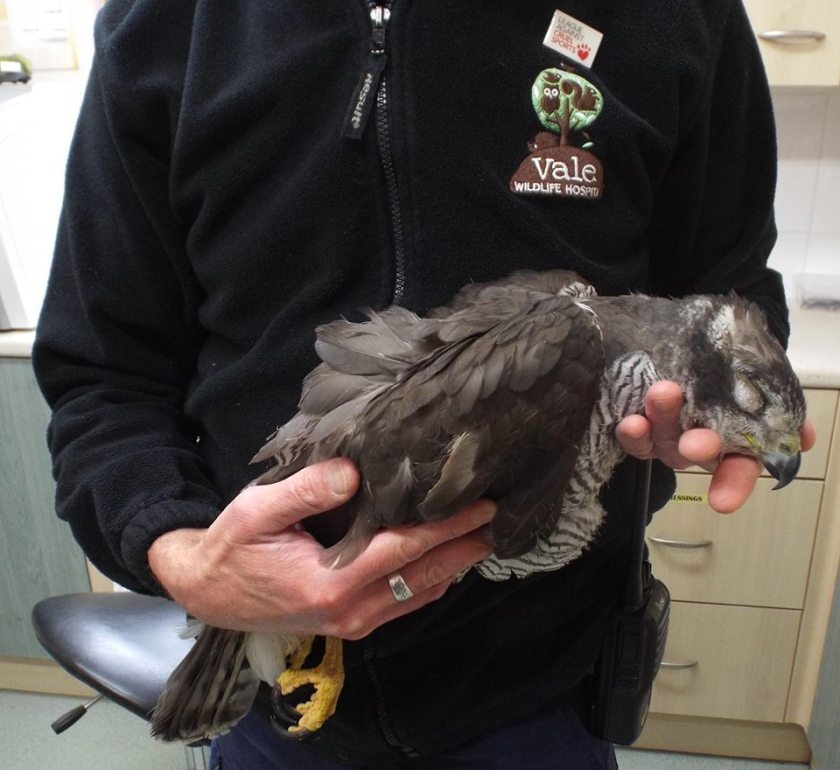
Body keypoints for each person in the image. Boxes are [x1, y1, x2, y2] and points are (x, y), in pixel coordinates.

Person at [33, 1, 814, 768]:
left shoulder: (681, 15)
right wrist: (184, 557)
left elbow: (725, 286)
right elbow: (104, 375)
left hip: (541, 694)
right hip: (276, 695)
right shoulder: (163, 22)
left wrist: (710, 402)